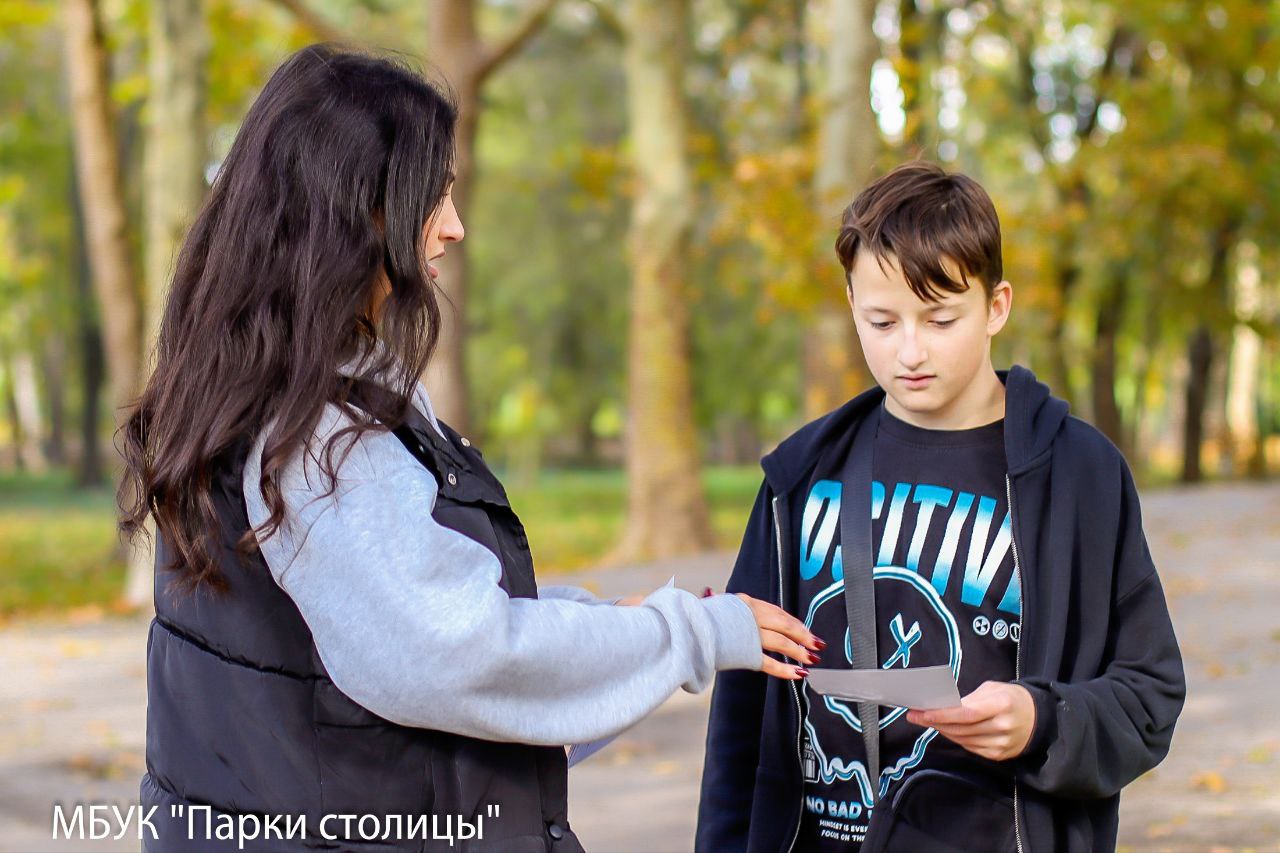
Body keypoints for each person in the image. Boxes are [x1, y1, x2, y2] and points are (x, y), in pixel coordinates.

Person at [117, 44, 821, 852]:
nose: (454, 224)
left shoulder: (279, 387)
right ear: (359, 207)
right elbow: (461, 656)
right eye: (434, 194)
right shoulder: (317, 431)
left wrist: (597, 622)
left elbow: (407, 616)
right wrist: (694, 633)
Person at [695, 161, 1185, 852]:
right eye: (881, 321)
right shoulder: (799, 475)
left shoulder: (1081, 474)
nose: (910, 351)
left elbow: (1148, 697)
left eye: (941, 318)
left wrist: (1042, 721)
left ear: (996, 306)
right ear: (851, 302)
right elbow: (741, 715)